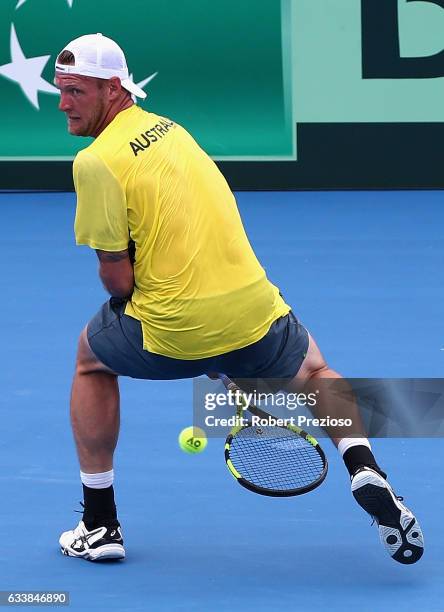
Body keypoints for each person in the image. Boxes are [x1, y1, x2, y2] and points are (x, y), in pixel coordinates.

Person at [54, 33, 424, 564]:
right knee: (318, 372)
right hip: (253, 313)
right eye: (61, 91)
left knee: (91, 361)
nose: (64, 104)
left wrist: (189, 330)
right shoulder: (172, 131)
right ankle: (364, 465)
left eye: (76, 91)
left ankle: (99, 525)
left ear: (112, 89)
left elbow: (118, 282)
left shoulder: (95, 162)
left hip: (176, 328)